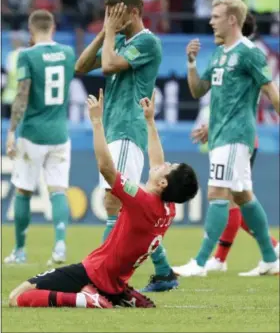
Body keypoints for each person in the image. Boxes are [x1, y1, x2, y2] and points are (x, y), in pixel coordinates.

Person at [8, 90, 199, 309]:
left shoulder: (141, 201)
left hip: (94, 272)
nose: (164, 164)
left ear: (163, 183)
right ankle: (120, 294)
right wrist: (149, 121)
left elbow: (107, 169)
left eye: (169, 166)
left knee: (17, 297)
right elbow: (157, 161)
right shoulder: (168, 208)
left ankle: (85, 299)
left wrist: (97, 122)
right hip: (115, 279)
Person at [76, 0, 178, 292]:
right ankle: (163, 272)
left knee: (114, 202)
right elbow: (81, 67)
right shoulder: (118, 40)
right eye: (108, 14)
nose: (109, 19)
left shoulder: (147, 42)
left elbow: (108, 66)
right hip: (113, 127)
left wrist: (109, 34)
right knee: (123, 206)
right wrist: (106, 32)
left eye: (115, 12)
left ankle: (99, 277)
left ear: (133, 11)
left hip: (128, 127)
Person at [172, 0, 280, 277]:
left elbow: (270, 91)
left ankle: (201, 262)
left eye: (216, 16)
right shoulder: (220, 54)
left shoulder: (249, 53)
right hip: (219, 134)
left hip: (236, 135)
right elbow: (199, 91)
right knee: (243, 196)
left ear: (232, 20)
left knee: (217, 193)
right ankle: (271, 258)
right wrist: (192, 64)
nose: (211, 21)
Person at [4, 10, 75, 265]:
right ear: (53, 27)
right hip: (60, 132)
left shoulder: (27, 55)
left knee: (23, 190)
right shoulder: (67, 53)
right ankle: (59, 246)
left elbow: (22, 94)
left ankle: (20, 251)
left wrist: (11, 131)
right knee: (58, 190)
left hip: (33, 133)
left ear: (31, 30)